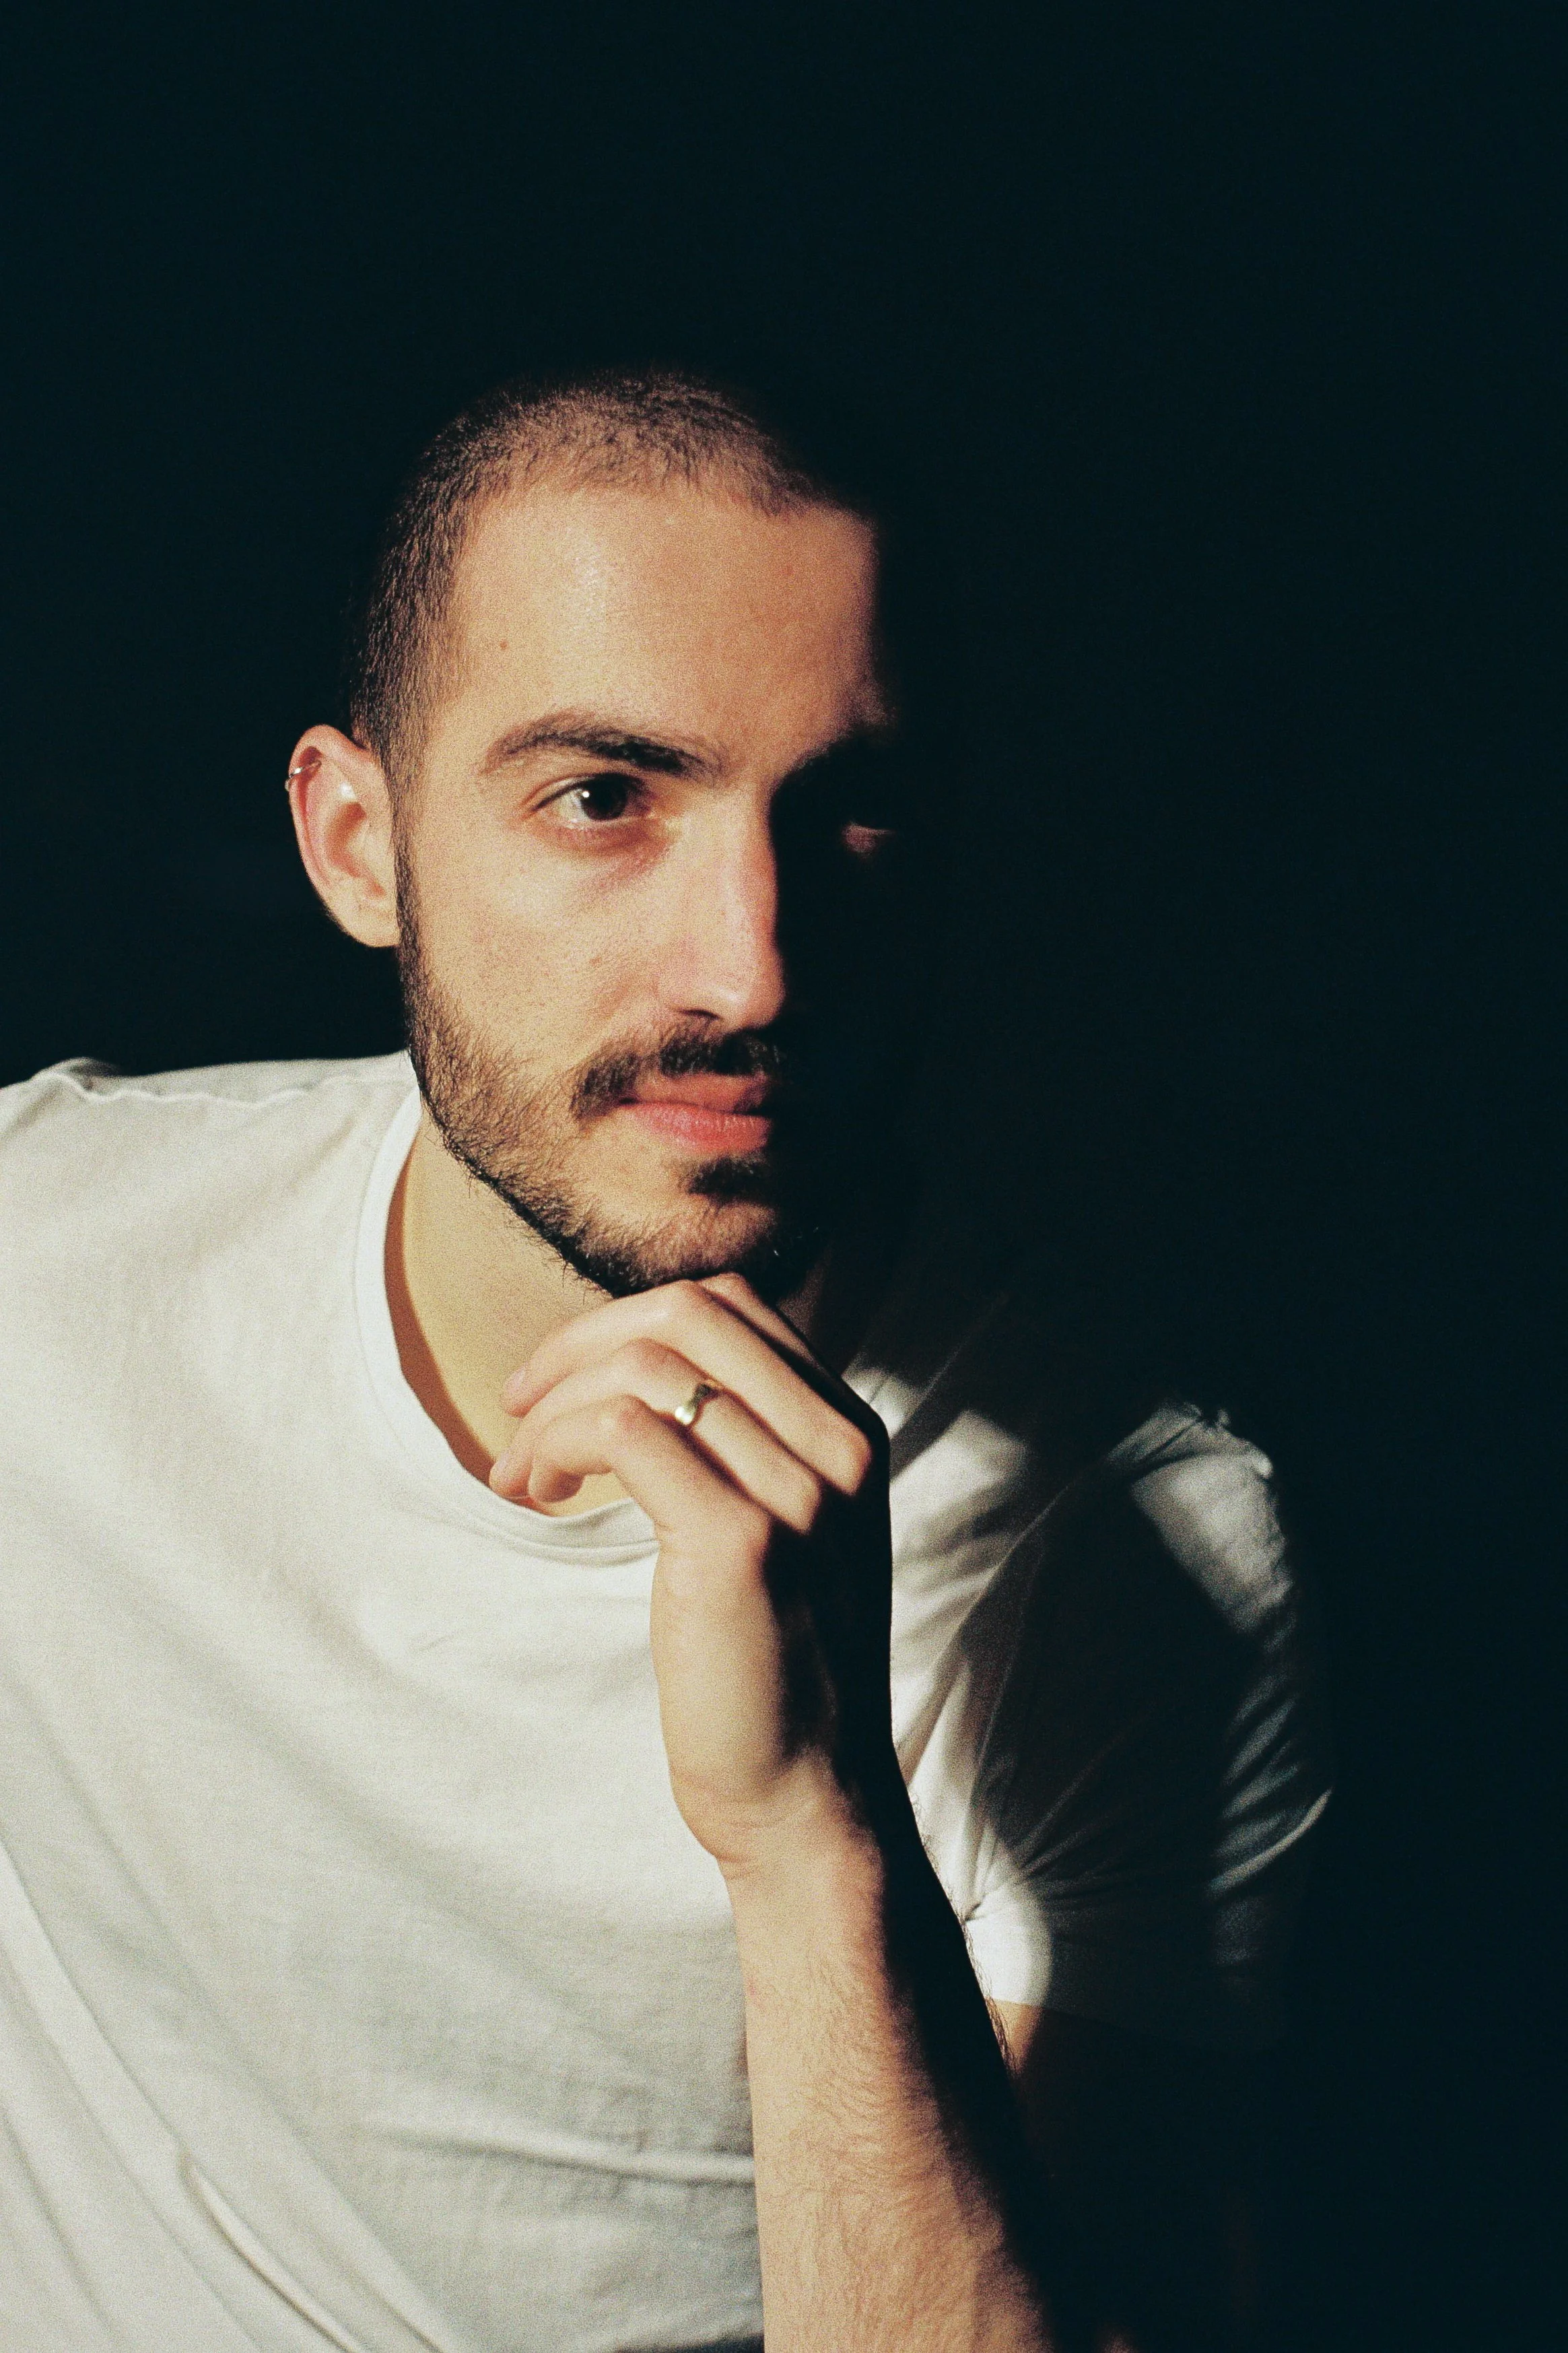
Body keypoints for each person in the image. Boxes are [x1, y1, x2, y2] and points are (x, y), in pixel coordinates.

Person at [0, 372, 1329, 2353]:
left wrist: (807, 1830)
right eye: (606, 799)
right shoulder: (47, 1248)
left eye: (850, 809)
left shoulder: (1147, 1553)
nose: (753, 967)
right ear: (358, 844)